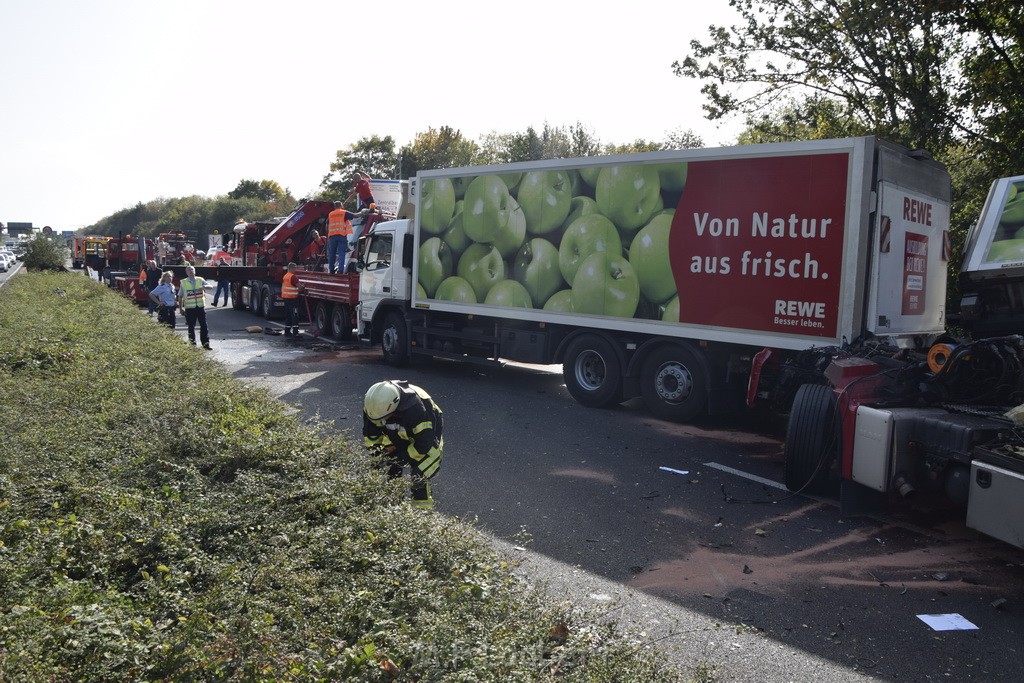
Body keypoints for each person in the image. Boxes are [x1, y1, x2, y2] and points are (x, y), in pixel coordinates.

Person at [363, 380, 444, 509]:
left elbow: (424, 445)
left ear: (395, 408)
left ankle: (422, 515)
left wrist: (402, 457)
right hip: (396, 431)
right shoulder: (374, 407)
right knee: (390, 468)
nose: (381, 421)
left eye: (385, 418)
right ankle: (392, 507)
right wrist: (376, 459)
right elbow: (371, 437)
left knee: (420, 474)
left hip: (426, 438)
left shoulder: (417, 410)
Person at [326, 201, 367, 274]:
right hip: (341, 235)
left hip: (332, 236)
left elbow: (327, 224)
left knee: (332, 254)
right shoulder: (343, 213)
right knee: (341, 253)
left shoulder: (330, 214)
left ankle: (331, 270)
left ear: (334, 206)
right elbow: (355, 215)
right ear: (341, 205)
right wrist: (363, 212)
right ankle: (340, 270)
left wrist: (328, 234)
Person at [177, 264, 211, 349]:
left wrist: (204, 287)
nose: (191, 271)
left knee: (204, 326)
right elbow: (180, 296)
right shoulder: (183, 282)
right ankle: (193, 345)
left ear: (195, 271)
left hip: (200, 307)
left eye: (192, 270)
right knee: (191, 327)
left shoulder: (200, 279)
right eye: (189, 270)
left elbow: (210, 286)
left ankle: (206, 344)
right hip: (190, 308)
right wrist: (181, 308)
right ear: (186, 273)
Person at [281, 262, 303, 338]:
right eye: (295, 268)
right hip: (292, 299)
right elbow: (299, 287)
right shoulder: (293, 277)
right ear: (292, 268)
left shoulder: (285, 276)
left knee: (288, 315)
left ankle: (287, 331)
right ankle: (295, 333)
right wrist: (303, 288)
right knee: (295, 315)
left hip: (286, 298)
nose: (296, 270)